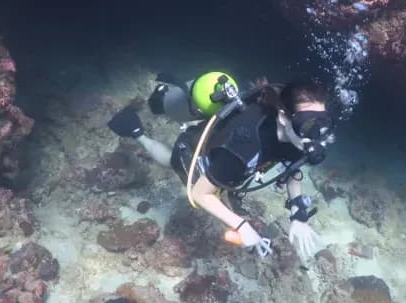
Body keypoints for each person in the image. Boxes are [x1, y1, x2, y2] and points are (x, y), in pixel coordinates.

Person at [107, 72, 334, 259]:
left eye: (322, 123)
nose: (316, 135)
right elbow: (199, 194)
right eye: (308, 125)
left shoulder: (298, 137)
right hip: (197, 148)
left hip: (227, 149)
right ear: (283, 117)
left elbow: (293, 168)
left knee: (222, 181)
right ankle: (139, 133)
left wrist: (298, 212)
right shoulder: (244, 145)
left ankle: (177, 103)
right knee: (171, 161)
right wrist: (242, 226)